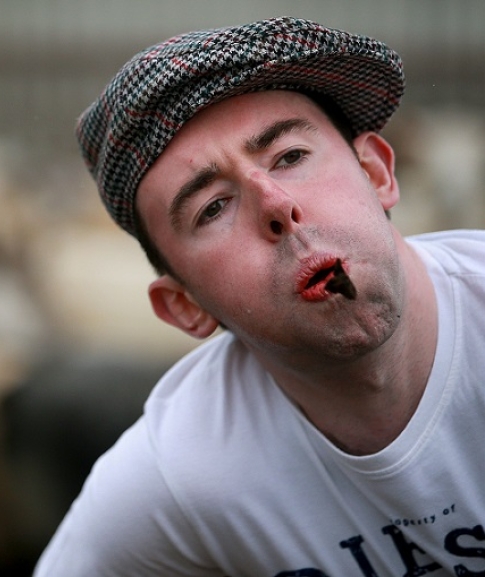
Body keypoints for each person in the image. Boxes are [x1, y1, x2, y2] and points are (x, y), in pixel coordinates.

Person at [33, 16, 485, 576]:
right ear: (186, 307)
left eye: (291, 156)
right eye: (213, 208)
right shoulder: (177, 475)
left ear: (376, 172)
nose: (274, 205)